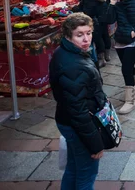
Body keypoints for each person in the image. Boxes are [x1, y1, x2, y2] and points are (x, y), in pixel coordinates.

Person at [49, 13, 106, 190]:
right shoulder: (73, 64)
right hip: (78, 125)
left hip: (68, 120)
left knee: (74, 168)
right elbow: (78, 110)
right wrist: (95, 144)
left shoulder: (68, 52)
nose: (86, 39)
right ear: (68, 36)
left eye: (88, 33)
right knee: (86, 174)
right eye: (79, 35)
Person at [73, 0, 110, 68]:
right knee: (101, 37)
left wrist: (75, 9)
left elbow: (87, 11)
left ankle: (101, 59)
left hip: (95, 20)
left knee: (97, 39)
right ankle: (104, 56)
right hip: (101, 18)